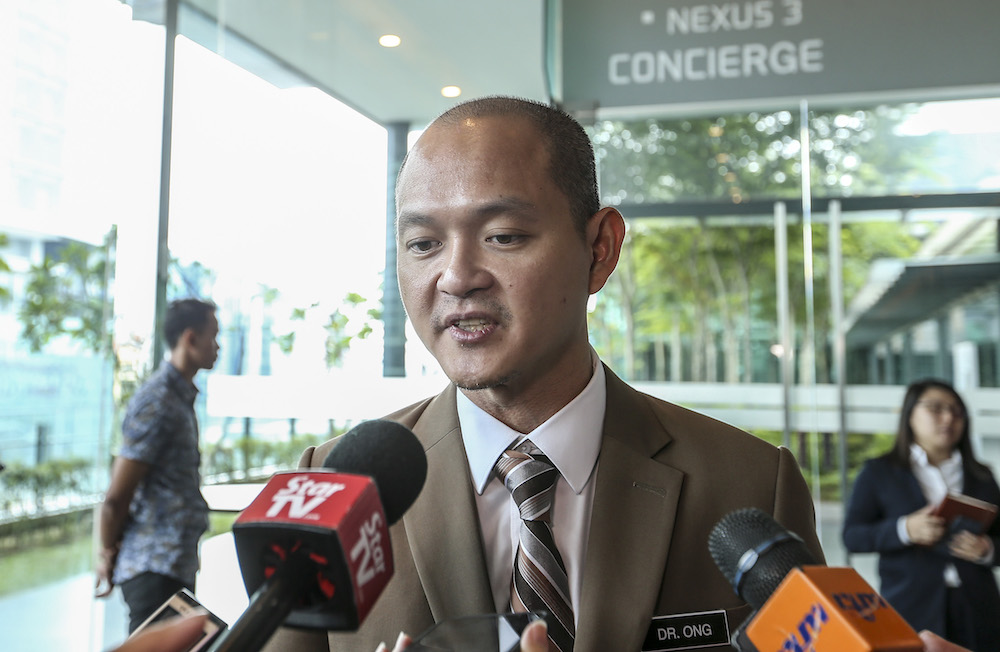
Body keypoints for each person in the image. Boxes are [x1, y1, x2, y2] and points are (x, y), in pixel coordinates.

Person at [264, 96, 823, 652]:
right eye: (423, 244)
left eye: (503, 235)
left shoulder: (749, 485)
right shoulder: (337, 492)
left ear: (600, 249)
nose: (457, 277)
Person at [843, 378, 1000, 651]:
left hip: (977, 607)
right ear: (909, 415)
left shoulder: (982, 476)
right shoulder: (879, 472)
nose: (949, 417)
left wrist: (987, 549)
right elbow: (853, 536)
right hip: (910, 606)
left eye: (957, 410)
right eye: (936, 408)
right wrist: (904, 529)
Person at [96, 299, 220, 633]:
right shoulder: (158, 401)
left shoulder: (179, 398)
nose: (218, 346)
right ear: (190, 338)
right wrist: (106, 553)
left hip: (172, 566)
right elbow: (116, 497)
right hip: (153, 570)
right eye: (213, 336)